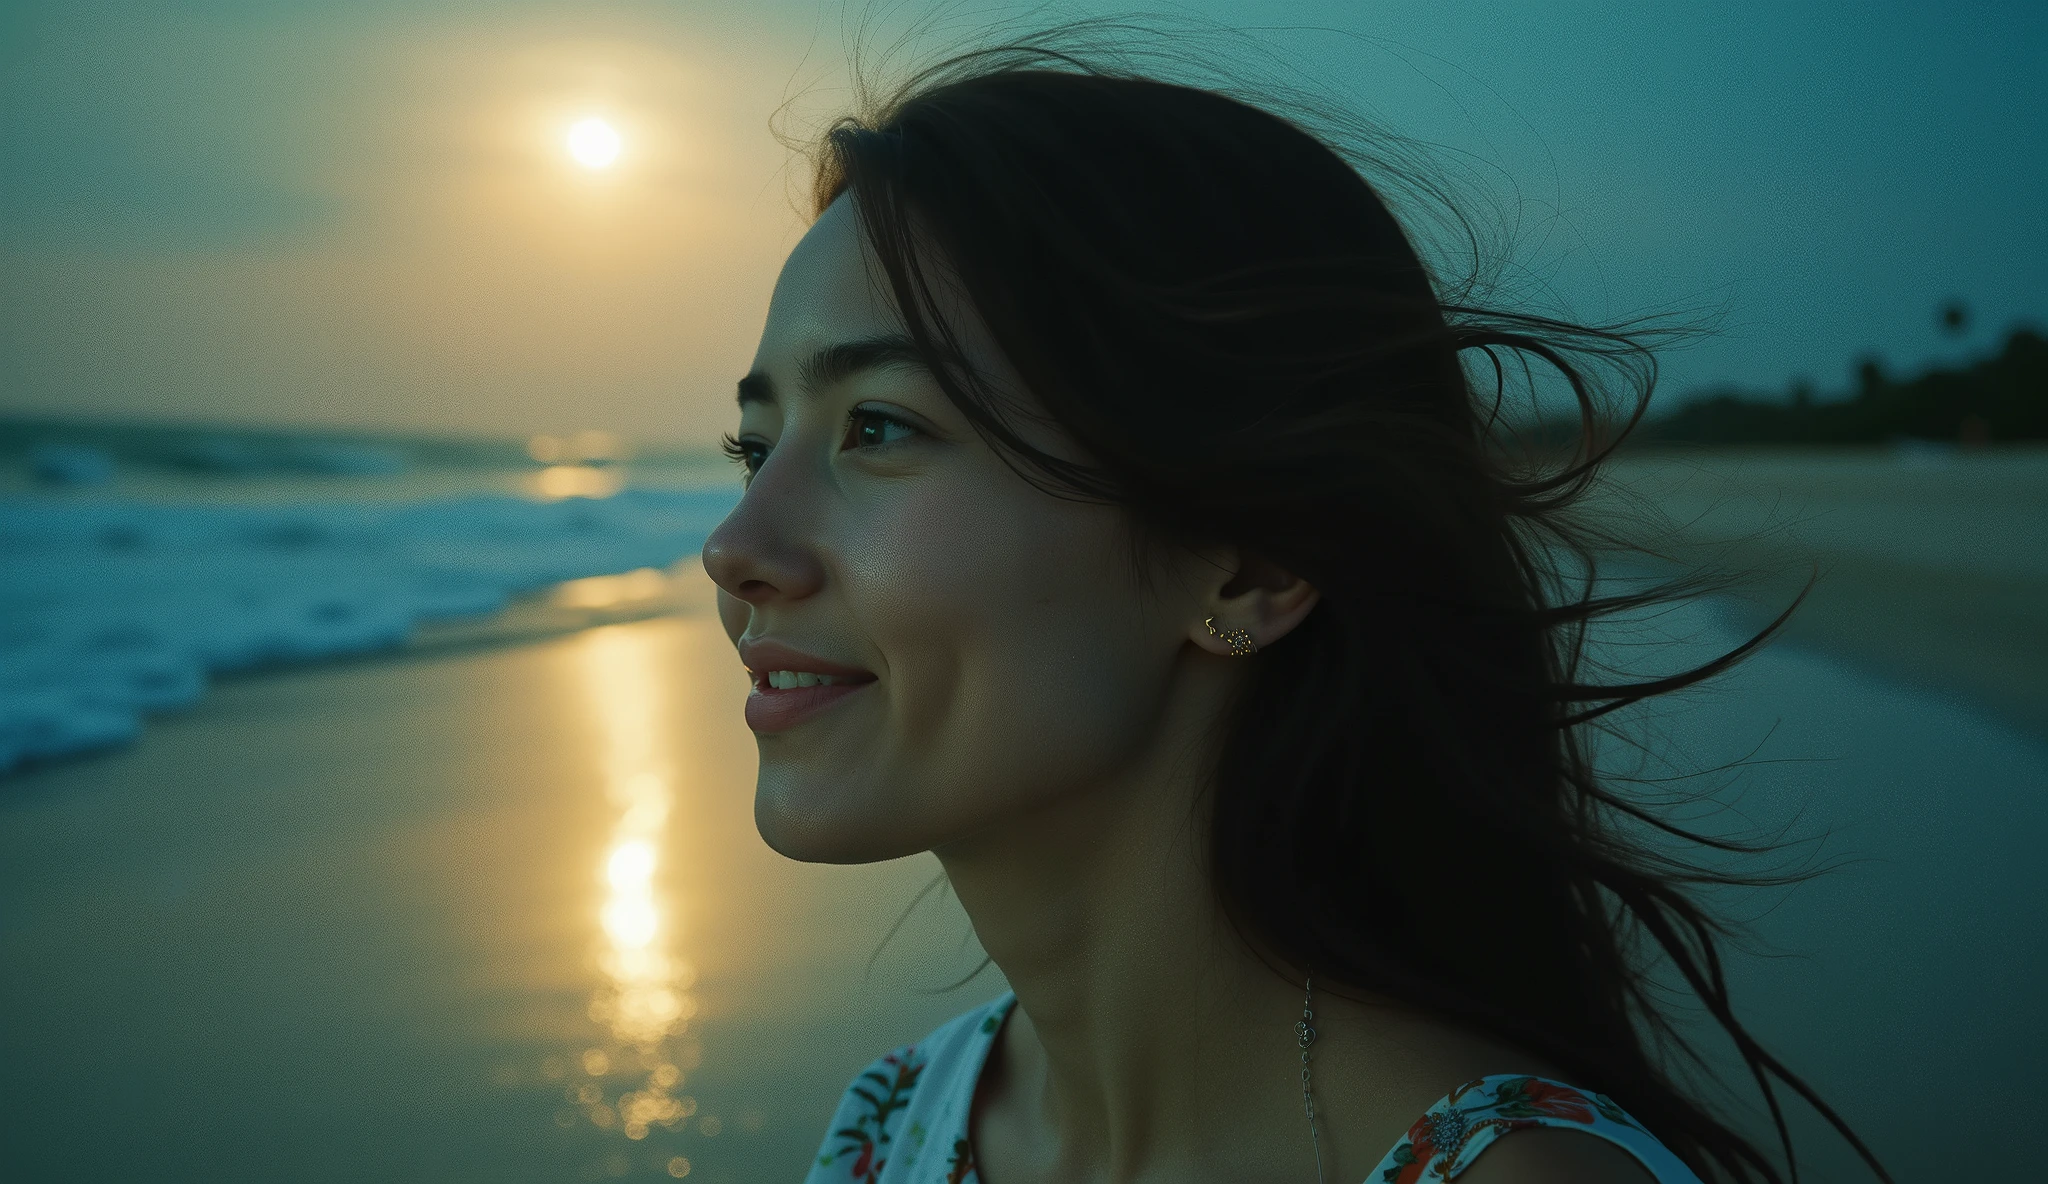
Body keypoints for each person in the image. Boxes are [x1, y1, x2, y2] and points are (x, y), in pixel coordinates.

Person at [700, 29, 1892, 1184]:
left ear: (1250, 564)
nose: (734, 547)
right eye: (756, 448)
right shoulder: (892, 1125)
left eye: (880, 427)